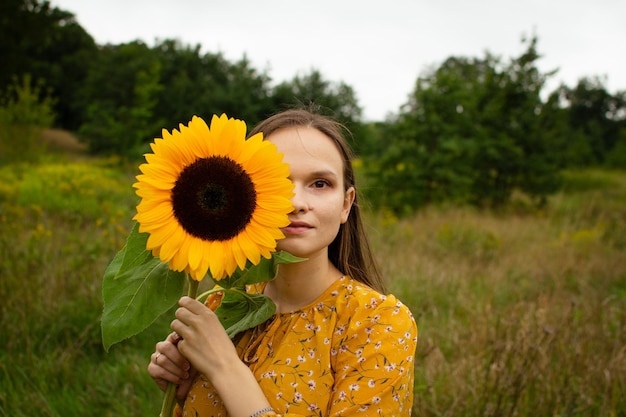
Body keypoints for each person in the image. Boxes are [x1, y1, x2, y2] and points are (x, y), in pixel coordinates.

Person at [147, 108, 418, 417]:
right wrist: (187, 392)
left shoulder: (375, 323)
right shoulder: (223, 304)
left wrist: (224, 369)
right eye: (278, 182)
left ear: (346, 204)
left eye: (320, 184)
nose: (297, 203)